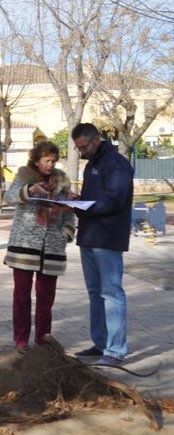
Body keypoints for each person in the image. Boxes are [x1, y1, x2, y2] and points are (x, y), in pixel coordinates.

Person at [70, 122, 134, 367]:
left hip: (108, 238)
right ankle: (100, 343)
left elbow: (115, 201)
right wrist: (77, 201)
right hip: (89, 236)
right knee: (95, 293)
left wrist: (85, 207)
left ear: (96, 139)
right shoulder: (92, 164)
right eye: (78, 148)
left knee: (111, 292)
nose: (81, 152)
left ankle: (115, 350)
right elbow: (94, 199)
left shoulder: (117, 164)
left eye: (83, 147)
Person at [3, 140, 76, 352]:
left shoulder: (62, 180)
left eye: (53, 161)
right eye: (46, 160)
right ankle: (21, 339)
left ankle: (43, 339)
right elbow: (9, 197)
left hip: (52, 245)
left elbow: (68, 211)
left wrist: (66, 232)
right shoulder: (24, 175)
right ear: (36, 160)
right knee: (22, 295)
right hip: (24, 244)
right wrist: (30, 190)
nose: (50, 165)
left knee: (46, 297)